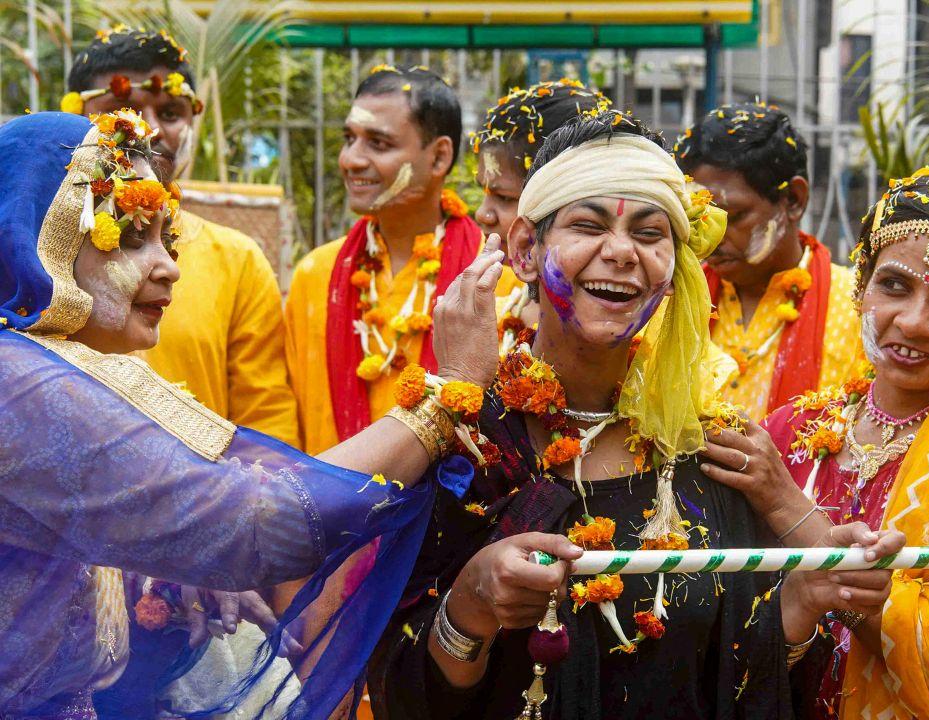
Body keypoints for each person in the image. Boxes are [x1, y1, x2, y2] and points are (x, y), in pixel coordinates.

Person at [366, 111, 905, 720]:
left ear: (675, 271)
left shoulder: (706, 450)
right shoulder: (465, 444)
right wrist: (468, 607)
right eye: (588, 225)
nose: (621, 252)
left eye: (651, 234)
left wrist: (802, 603)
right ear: (524, 248)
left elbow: (738, 678)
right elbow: (397, 689)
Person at [0, 110, 499, 719]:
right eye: (131, 238)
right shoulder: (19, 383)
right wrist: (445, 398)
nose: (169, 266)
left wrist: (158, 572)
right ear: (37, 241)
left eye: (168, 238)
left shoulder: (54, 365)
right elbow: (257, 524)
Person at [699, 165, 929, 718]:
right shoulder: (788, 434)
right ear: (862, 287)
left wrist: (790, 508)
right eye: (893, 285)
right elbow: (709, 627)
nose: (914, 322)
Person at [61, 25, 299, 448]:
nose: (149, 131)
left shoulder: (237, 260)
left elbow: (266, 428)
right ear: (68, 118)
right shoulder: (30, 250)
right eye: (123, 108)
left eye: (170, 113)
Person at [285, 64, 483, 455]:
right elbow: (283, 415)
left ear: (439, 157)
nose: (350, 160)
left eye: (378, 143)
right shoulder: (316, 273)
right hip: (326, 506)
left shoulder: (488, 277)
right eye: (349, 139)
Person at [674, 103, 860, 420]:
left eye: (733, 217)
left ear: (793, 201)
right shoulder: (675, 299)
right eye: (698, 217)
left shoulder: (858, 307)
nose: (710, 236)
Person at [470, 78, 613, 338]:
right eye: (485, 192)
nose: (482, 214)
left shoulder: (629, 323)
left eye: (504, 197)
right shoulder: (493, 299)